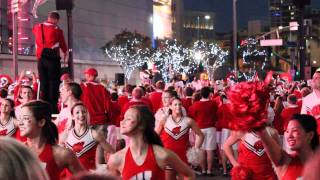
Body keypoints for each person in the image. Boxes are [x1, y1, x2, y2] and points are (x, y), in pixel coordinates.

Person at [108, 106, 195, 180]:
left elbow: (189, 174)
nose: (122, 122)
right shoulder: (116, 159)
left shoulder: (162, 155)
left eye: (128, 118)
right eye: (123, 118)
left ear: (142, 125)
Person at [17, 100, 85, 179]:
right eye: (19, 119)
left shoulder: (61, 154)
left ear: (41, 122)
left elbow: (86, 178)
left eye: (25, 118)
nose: (20, 123)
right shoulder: (17, 151)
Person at [256, 114, 319, 179]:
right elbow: (262, 132)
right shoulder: (284, 160)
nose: (289, 136)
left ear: (310, 135)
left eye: (295, 130)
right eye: (287, 131)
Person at [156, 97, 204, 179]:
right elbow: (155, 135)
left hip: (183, 157)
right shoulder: (164, 120)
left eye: (179, 104)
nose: (178, 106)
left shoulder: (189, 121)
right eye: (175, 105)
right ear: (170, 106)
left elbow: (200, 135)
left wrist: (195, 150)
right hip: (168, 157)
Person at [32, 11, 68, 114]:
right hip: (52, 59)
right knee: (54, 82)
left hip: (41, 59)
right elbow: (62, 44)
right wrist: (65, 52)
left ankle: (43, 105)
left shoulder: (37, 27)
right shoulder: (57, 30)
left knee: (44, 82)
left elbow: (34, 31)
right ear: (55, 20)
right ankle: (52, 108)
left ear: (48, 17)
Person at [65, 102, 115, 170]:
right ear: (73, 116)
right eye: (77, 112)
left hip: (88, 176)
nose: (81, 114)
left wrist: (109, 168)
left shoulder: (95, 134)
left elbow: (112, 152)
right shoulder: (66, 135)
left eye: (84, 112)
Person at [188, 86, 219, 175]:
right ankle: (209, 170)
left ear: (200, 94)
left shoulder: (195, 105)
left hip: (199, 129)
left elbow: (191, 116)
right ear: (209, 94)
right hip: (211, 128)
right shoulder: (213, 103)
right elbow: (216, 114)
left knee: (201, 150)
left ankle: (203, 170)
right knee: (210, 150)